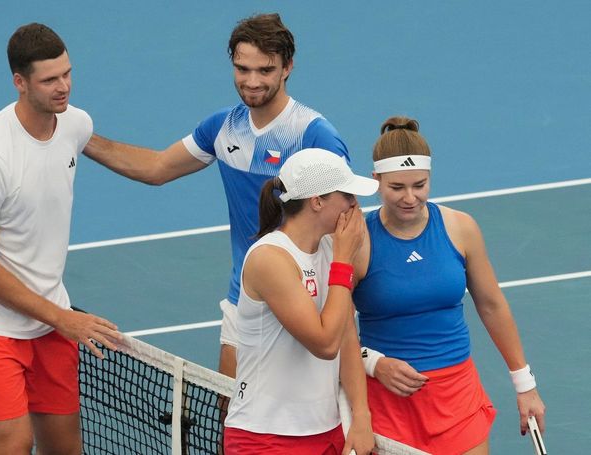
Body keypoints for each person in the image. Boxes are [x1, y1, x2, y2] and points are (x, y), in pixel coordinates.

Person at [83, 13, 350, 378]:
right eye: (242, 69)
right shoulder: (223, 127)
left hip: (308, 295)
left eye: (265, 70)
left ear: (287, 67)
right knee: (230, 408)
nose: (252, 81)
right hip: (246, 293)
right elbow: (157, 167)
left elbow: (348, 225)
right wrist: (81, 137)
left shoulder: (313, 134)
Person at [0, 23, 121, 455]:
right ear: (19, 82)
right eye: (49, 80)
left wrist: (197, 152)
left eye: (67, 74)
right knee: (14, 444)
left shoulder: (73, 123)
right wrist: (63, 318)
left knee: (66, 448)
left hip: (49, 324)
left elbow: (131, 160)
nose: (63, 87)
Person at [351, 116, 546, 454]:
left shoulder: (461, 228)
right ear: (376, 182)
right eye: (397, 187)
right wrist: (373, 362)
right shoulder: (357, 241)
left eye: (419, 185)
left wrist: (524, 385)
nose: (410, 197)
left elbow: (492, 305)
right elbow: (329, 327)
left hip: (457, 397)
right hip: (387, 402)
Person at [223, 148, 378, 455]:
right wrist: (343, 260)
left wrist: (361, 417)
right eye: (347, 196)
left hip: (325, 433)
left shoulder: (329, 248)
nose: (355, 205)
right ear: (317, 201)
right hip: (265, 439)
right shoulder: (270, 259)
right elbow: (325, 344)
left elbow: (347, 338)